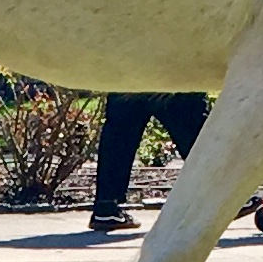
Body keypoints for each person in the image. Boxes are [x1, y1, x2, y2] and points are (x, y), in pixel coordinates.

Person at [87, 92, 212, 234]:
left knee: (120, 129)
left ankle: (106, 206)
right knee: (190, 122)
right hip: (170, 76)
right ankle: (225, 189)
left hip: (130, 74)